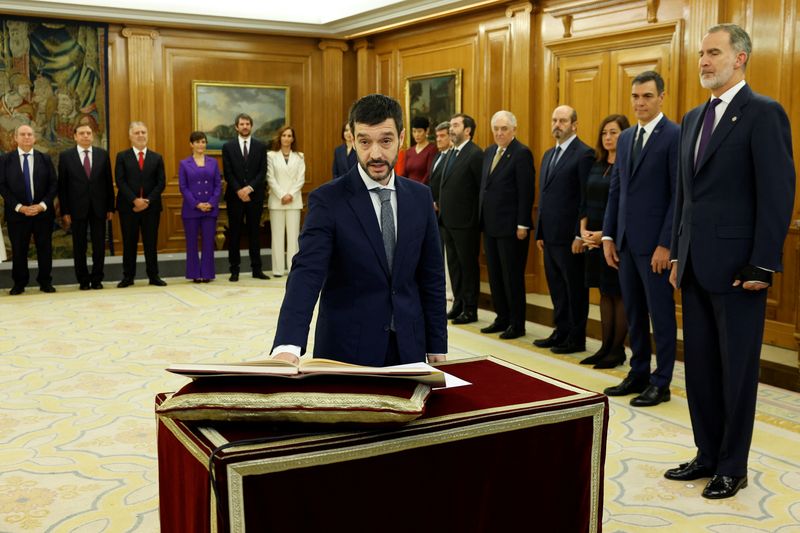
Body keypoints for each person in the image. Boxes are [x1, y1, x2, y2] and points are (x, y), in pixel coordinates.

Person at [665, 24, 794, 499]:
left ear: (740, 58)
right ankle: (706, 453)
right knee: (698, 369)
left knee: (736, 371)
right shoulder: (694, 117)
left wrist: (762, 264)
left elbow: (777, 194)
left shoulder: (763, 113)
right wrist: (678, 252)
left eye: (713, 53)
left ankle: (732, 466)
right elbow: (685, 196)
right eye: (701, 53)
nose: (703, 60)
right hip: (695, 266)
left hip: (740, 271)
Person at [271, 93, 446, 367]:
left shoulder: (420, 197)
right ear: (352, 139)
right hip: (346, 350)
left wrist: (437, 343)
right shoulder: (327, 200)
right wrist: (288, 344)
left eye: (386, 140)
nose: (375, 153)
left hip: (409, 348)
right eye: (365, 141)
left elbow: (431, 276)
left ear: (401, 138)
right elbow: (307, 271)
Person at [602, 71, 679, 407]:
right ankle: (639, 372)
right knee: (633, 313)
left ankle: (661, 382)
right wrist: (608, 236)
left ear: (661, 97)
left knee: (660, 316)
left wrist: (666, 244)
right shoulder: (627, 137)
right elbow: (616, 191)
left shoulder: (675, 135)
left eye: (647, 96)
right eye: (635, 96)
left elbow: (678, 195)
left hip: (656, 247)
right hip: (625, 243)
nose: (640, 103)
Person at [533, 105, 593, 354]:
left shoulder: (584, 154)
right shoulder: (548, 154)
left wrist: (581, 234)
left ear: (574, 124)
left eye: (563, 120)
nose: (557, 124)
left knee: (574, 289)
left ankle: (576, 338)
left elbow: (585, 197)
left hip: (571, 237)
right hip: (550, 235)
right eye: (554, 120)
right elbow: (545, 196)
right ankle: (561, 330)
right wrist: (541, 232)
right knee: (557, 288)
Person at [578, 114, 630, 368]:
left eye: (614, 133)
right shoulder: (597, 163)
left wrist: (604, 235)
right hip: (593, 239)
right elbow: (586, 199)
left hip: (614, 239)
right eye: (604, 133)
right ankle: (605, 346)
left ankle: (617, 350)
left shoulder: (628, 163)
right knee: (603, 293)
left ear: (625, 135)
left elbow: (624, 205)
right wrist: (584, 229)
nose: (608, 138)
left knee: (618, 294)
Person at [479, 110, 535, 339]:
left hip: (512, 228)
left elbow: (526, 191)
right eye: (496, 129)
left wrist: (523, 223)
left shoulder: (521, 153)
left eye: (504, 129)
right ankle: (501, 317)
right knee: (495, 275)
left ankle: (516, 323)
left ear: (514, 129)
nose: (499, 133)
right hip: (490, 225)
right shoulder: (490, 151)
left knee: (512, 277)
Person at [0, 124, 57, 295]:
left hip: (42, 213)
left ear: (35, 138)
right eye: (22, 134)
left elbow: (53, 184)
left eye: (29, 134)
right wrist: (20, 207)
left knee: (45, 249)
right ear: (15, 138)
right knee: (19, 250)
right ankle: (19, 283)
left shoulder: (45, 159)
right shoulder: (5, 160)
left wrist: (42, 205)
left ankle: (45, 282)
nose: (26, 137)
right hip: (17, 214)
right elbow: (2, 186)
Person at [58, 122, 115, 290]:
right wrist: (65, 211)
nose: (85, 136)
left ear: (92, 136)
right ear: (75, 136)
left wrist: (111, 208)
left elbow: (107, 183)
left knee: (99, 246)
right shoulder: (66, 156)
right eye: (82, 133)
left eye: (88, 133)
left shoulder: (102, 155)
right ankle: (83, 280)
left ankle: (97, 279)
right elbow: (63, 187)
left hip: (99, 208)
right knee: (79, 246)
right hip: (76, 209)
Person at [438, 113, 483, 324]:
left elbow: (479, 190)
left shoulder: (475, 154)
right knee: (454, 267)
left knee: (467, 267)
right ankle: (458, 304)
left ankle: (470, 308)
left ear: (467, 130)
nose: (451, 129)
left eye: (455, 125)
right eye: (451, 125)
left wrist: (475, 219)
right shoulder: (450, 153)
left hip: (466, 223)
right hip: (448, 221)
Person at [115, 121, 167, 287]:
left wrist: (148, 201)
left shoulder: (157, 157)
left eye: (143, 132)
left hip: (151, 207)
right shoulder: (122, 156)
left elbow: (161, 183)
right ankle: (128, 277)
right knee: (129, 243)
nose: (140, 135)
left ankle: (154, 276)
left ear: (147, 135)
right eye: (137, 133)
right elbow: (120, 181)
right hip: (128, 207)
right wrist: (134, 200)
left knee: (151, 243)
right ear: (130, 136)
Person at [222, 113, 269, 281]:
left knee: (254, 233)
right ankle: (234, 270)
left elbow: (262, 172)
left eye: (247, 124)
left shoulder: (260, 146)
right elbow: (228, 172)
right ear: (236, 127)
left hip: (254, 197)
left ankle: (257, 269)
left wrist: (248, 189)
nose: (245, 126)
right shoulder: (228, 147)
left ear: (251, 126)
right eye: (241, 124)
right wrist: (239, 191)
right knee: (234, 234)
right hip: (235, 197)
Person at [178, 131, 221, 283]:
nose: (200, 145)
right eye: (197, 142)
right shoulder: (184, 163)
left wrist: (211, 202)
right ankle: (194, 273)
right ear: (191, 145)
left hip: (210, 209)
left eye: (203, 142)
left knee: (209, 242)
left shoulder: (213, 162)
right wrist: (197, 204)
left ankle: (208, 273)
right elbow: (183, 187)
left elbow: (218, 185)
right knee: (192, 243)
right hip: (191, 210)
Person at [266, 126, 305, 277]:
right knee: (277, 236)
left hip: (294, 201)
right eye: (284, 135)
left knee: (294, 236)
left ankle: (292, 268)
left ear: (293, 139)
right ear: (279, 137)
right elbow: (270, 177)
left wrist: (290, 195)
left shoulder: (299, 156)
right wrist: (282, 195)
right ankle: (277, 270)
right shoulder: (271, 155)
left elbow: (300, 178)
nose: (287, 138)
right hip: (277, 201)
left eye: (289, 136)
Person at [403, 116, 436, 184]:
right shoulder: (409, 151)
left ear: (427, 130)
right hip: (408, 189)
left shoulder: (432, 149)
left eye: (419, 131)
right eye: (414, 131)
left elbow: (429, 173)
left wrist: (418, 189)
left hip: (423, 189)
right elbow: (404, 173)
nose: (416, 135)